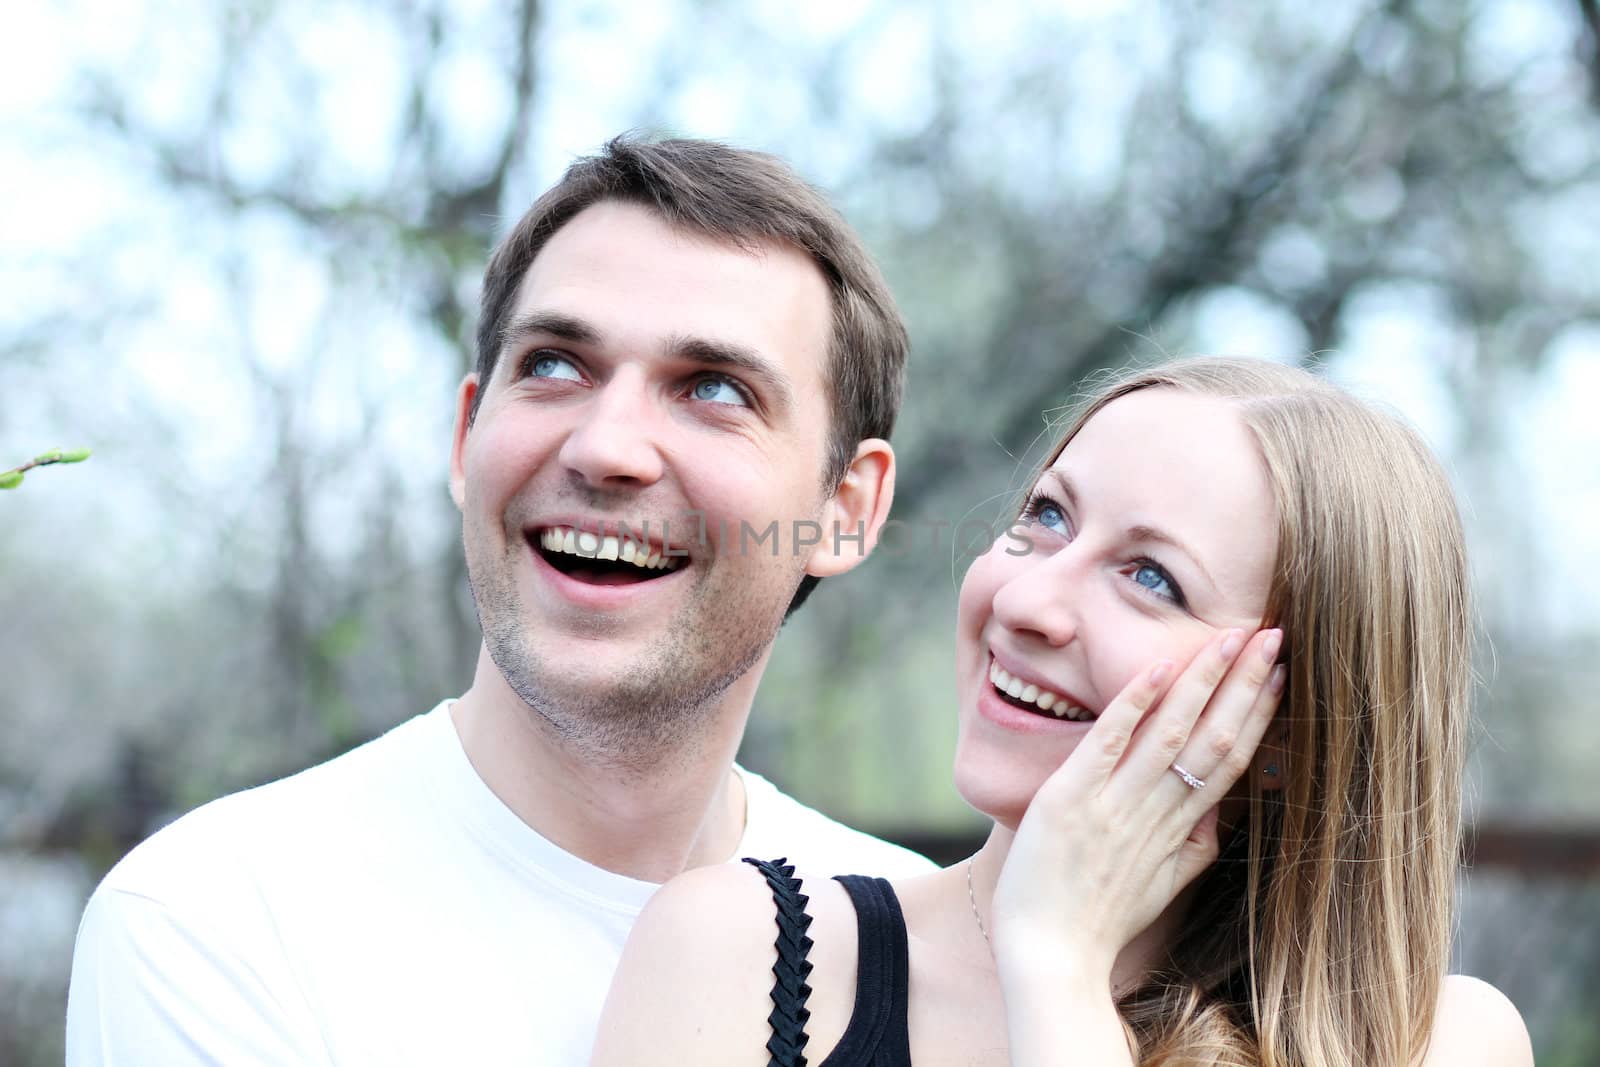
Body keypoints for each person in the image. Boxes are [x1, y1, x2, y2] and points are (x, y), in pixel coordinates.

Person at [64, 136, 935, 1065]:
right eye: (556, 365)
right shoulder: (217, 921)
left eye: (713, 389)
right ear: (464, 436)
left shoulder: (921, 956)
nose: (607, 448)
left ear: (845, 510)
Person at [593, 357, 1534, 1066]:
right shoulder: (742, 958)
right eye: (1046, 518)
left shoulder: (1439, 1041)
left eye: (1150, 577)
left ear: (1292, 728)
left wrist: (1058, 967)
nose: (1027, 601)